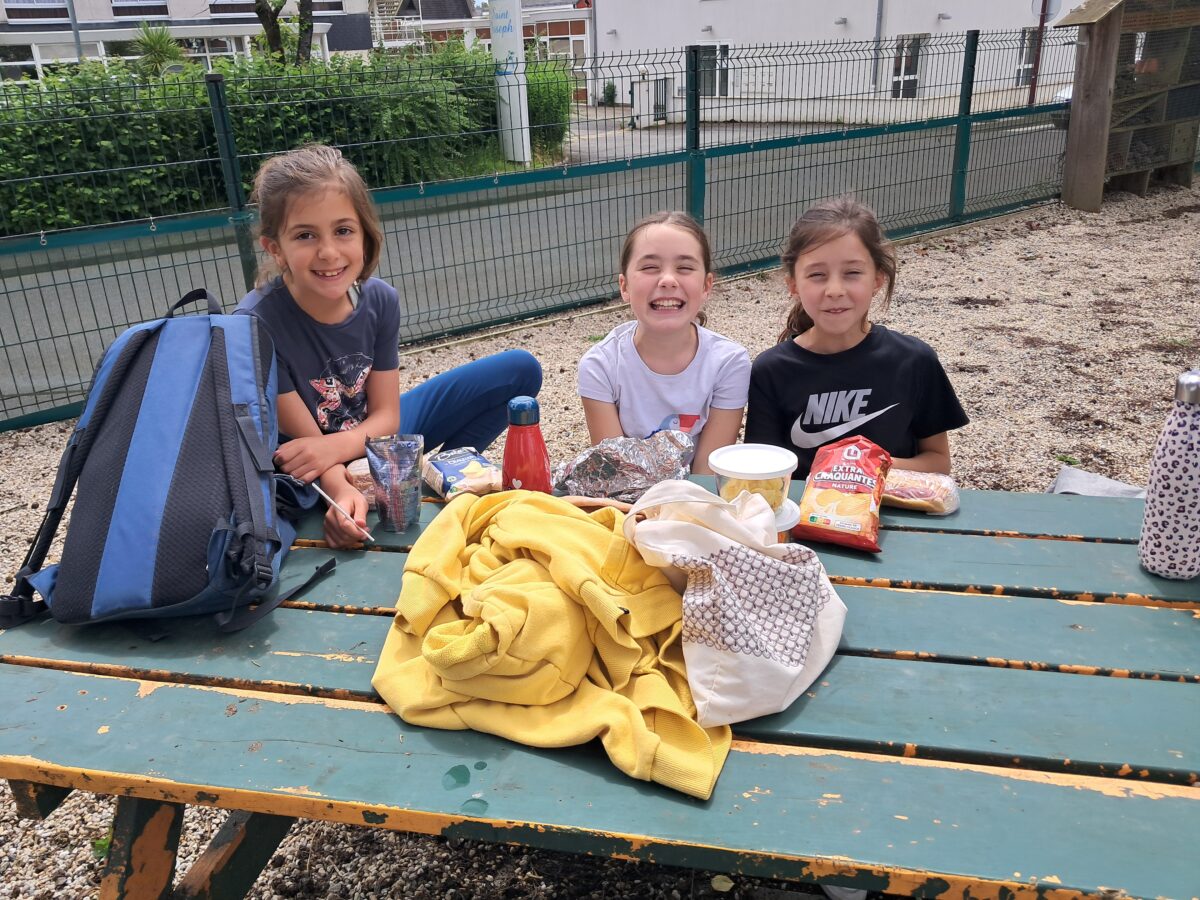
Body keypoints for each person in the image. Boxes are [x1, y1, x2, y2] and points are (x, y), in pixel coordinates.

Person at [236, 145, 541, 547]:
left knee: (520, 370)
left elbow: (387, 417)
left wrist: (350, 450)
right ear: (275, 248)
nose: (328, 252)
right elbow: (305, 444)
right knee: (319, 473)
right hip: (309, 468)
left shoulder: (380, 300)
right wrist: (340, 492)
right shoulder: (254, 323)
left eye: (343, 231)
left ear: (365, 234)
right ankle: (384, 493)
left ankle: (435, 483)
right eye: (305, 235)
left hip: (366, 440)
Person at [745, 197, 967, 478]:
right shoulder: (771, 370)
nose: (835, 290)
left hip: (889, 507)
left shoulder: (914, 360)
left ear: (877, 279)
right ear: (793, 285)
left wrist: (866, 468)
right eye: (817, 274)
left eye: (852, 273)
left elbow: (938, 462)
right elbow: (762, 472)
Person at [577, 211, 750, 475]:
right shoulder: (600, 366)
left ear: (706, 285)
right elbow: (618, 476)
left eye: (684, 268)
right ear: (624, 286)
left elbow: (707, 475)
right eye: (650, 267)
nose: (668, 280)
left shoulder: (729, 363)